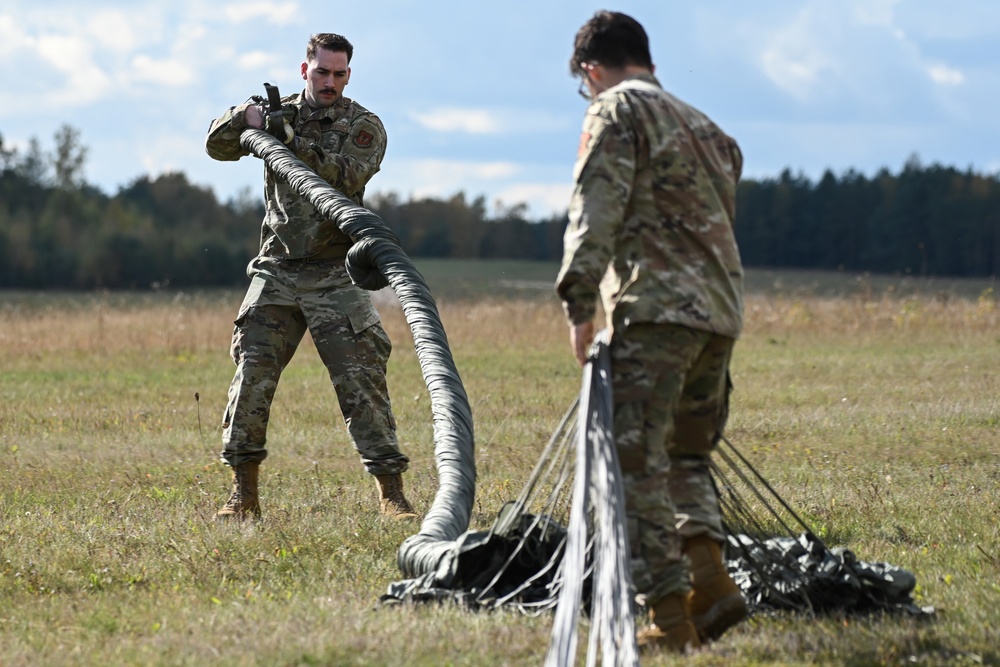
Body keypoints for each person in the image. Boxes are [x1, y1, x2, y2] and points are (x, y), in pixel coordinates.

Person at [556, 11, 748, 652]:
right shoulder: (709, 128)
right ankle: (711, 584)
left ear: (591, 70)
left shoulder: (615, 112)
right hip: (718, 315)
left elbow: (596, 205)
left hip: (654, 312)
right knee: (686, 458)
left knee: (634, 465)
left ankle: (669, 618)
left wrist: (580, 303)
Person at [205, 33, 416, 521]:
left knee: (362, 379)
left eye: (340, 74)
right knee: (251, 377)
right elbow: (217, 146)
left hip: (335, 271)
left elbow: (346, 178)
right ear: (305, 71)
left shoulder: (363, 125)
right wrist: (247, 119)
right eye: (322, 73)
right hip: (276, 268)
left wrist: (291, 142)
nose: (331, 82)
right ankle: (243, 496)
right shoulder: (279, 114)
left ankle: (391, 494)